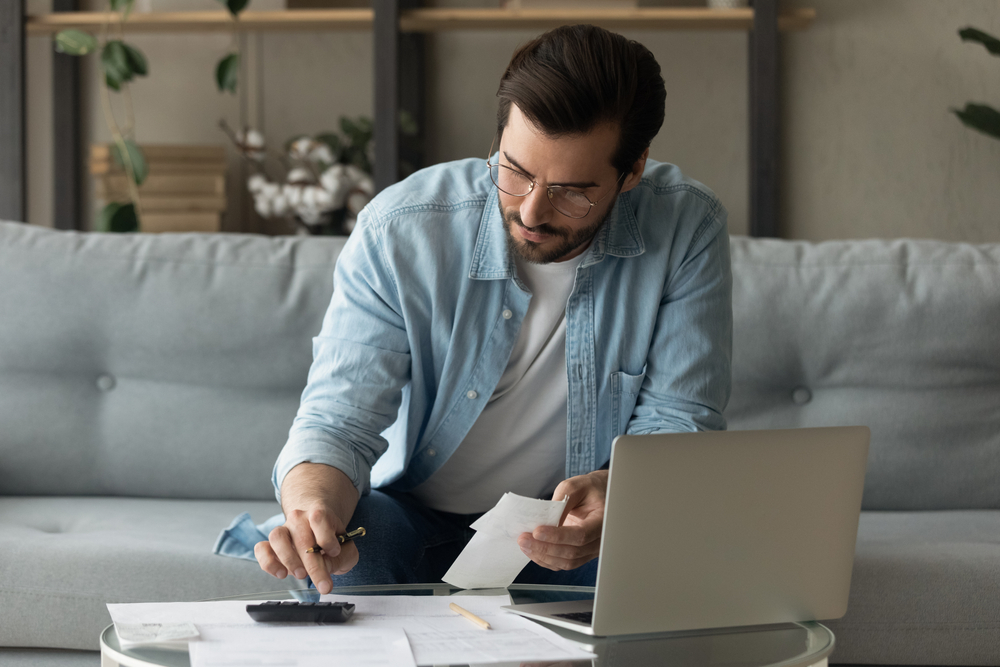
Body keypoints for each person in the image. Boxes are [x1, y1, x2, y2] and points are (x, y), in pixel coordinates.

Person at [252, 24, 732, 595]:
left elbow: (679, 420)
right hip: (414, 518)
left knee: (678, 561)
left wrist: (620, 492)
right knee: (347, 568)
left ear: (631, 172)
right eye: (515, 171)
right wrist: (311, 505)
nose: (531, 211)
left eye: (572, 191)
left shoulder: (687, 227)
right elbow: (339, 420)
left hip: (573, 537)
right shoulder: (399, 230)